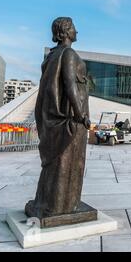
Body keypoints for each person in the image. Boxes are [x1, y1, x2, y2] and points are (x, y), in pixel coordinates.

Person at [25, 17, 91, 219]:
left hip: (58, 119)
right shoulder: (68, 53)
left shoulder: (53, 56)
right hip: (71, 119)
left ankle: (51, 203)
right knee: (68, 162)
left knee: (57, 164)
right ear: (67, 31)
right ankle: (62, 206)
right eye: (74, 28)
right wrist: (81, 116)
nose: (77, 32)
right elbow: (70, 84)